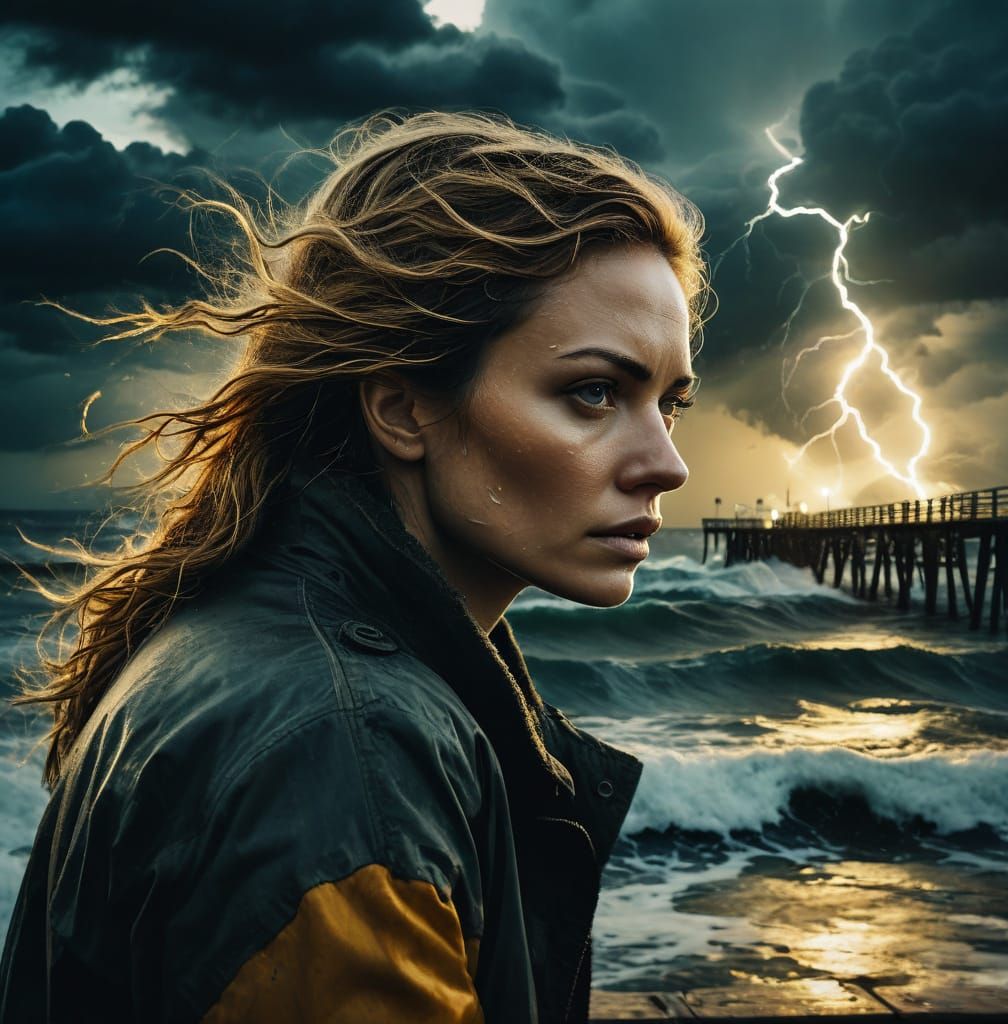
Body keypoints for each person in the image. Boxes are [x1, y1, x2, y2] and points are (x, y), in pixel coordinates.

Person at [0, 109, 707, 1023]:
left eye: (671, 403)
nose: (667, 463)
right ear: (402, 409)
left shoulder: (255, 641)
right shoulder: (343, 757)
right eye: (593, 393)